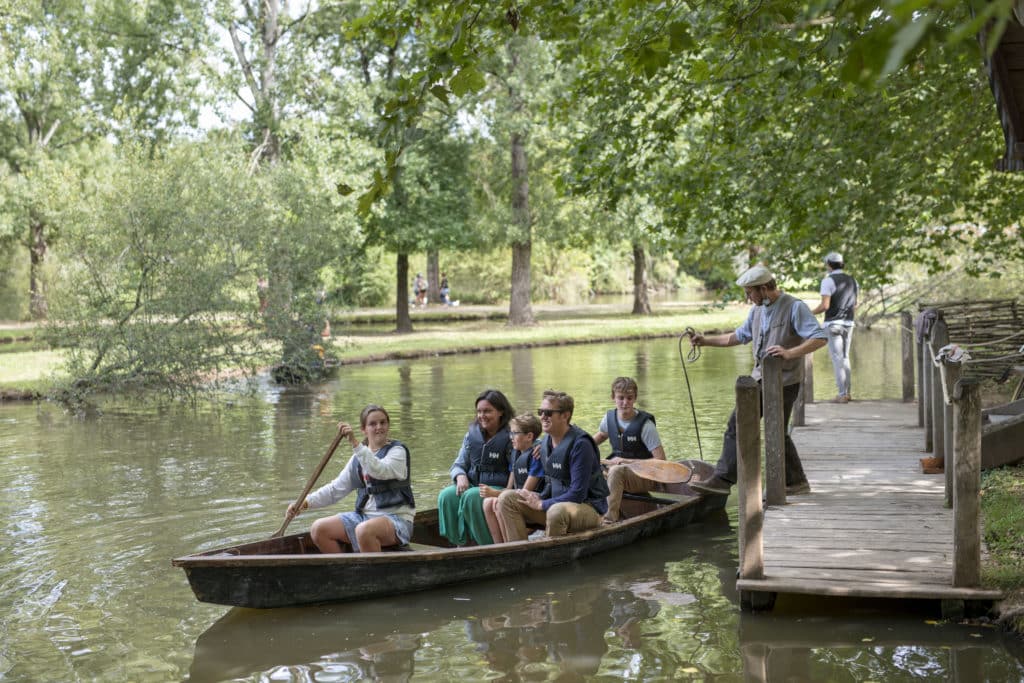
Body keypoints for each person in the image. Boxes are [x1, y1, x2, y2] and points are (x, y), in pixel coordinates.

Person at [688, 264, 827, 497]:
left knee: (766, 429)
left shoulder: (795, 307)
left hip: (786, 381)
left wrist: (790, 353)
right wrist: (705, 341)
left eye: (750, 292)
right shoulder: (757, 311)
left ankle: (723, 479)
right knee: (745, 425)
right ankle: (796, 481)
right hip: (759, 380)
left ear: (763, 288)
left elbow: (819, 337)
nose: (747, 297)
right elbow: (738, 336)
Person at [286, 405, 414, 553]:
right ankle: (345, 571)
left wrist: (355, 443)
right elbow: (335, 490)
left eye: (383, 422)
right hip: (364, 518)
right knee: (318, 529)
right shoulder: (358, 458)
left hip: (397, 520)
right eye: (373, 424)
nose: (379, 427)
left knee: (364, 531)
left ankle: (372, 574)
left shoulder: (398, 452)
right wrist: (305, 503)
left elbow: (380, 470)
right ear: (364, 430)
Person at [496, 390, 609, 541]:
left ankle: (549, 555)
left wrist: (542, 503)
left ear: (565, 415)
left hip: (588, 508)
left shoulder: (581, 445)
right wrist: (537, 496)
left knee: (556, 511)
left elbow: (577, 494)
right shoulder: (544, 444)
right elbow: (550, 482)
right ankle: (519, 551)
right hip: (555, 505)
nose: (542, 416)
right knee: (507, 498)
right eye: (541, 411)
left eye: (548, 412)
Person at [437, 389, 516, 546]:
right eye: (479, 411)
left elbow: (529, 445)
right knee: (446, 495)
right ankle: (461, 543)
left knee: (473, 496)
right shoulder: (471, 436)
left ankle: (486, 543)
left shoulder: (512, 435)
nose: (482, 416)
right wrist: (460, 476)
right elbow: (458, 464)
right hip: (473, 483)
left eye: (487, 411)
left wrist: (537, 449)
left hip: (497, 486)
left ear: (501, 411)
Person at [593, 376, 667, 523]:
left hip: (646, 475)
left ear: (635, 398)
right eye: (621, 398)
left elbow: (661, 461)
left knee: (615, 471)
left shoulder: (646, 426)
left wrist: (624, 461)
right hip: (619, 473)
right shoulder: (608, 419)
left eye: (629, 398)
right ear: (613, 397)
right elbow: (599, 436)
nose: (625, 402)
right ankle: (591, 514)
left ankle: (609, 520)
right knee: (590, 467)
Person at [480, 413, 545, 543]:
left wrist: (495, 493)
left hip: (532, 500)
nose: (511, 437)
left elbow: (525, 492)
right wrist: (497, 494)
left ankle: (510, 546)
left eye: (515, 433)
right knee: (488, 503)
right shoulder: (515, 453)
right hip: (514, 498)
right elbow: (509, 488)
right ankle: (499, 546)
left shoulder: (536, 457)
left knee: (499, 502)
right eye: (511, 433)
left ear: (529, 436)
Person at [811, 251, 859, 403]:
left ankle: (842, 394)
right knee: (845, 358)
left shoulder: (828, 281)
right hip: (849, 323)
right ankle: (847, 393)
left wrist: (809, 313)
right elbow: (855, 304)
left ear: (829, 265)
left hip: (833, 323)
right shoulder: (853, 280)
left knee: (837, 359)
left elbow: (825, 305)